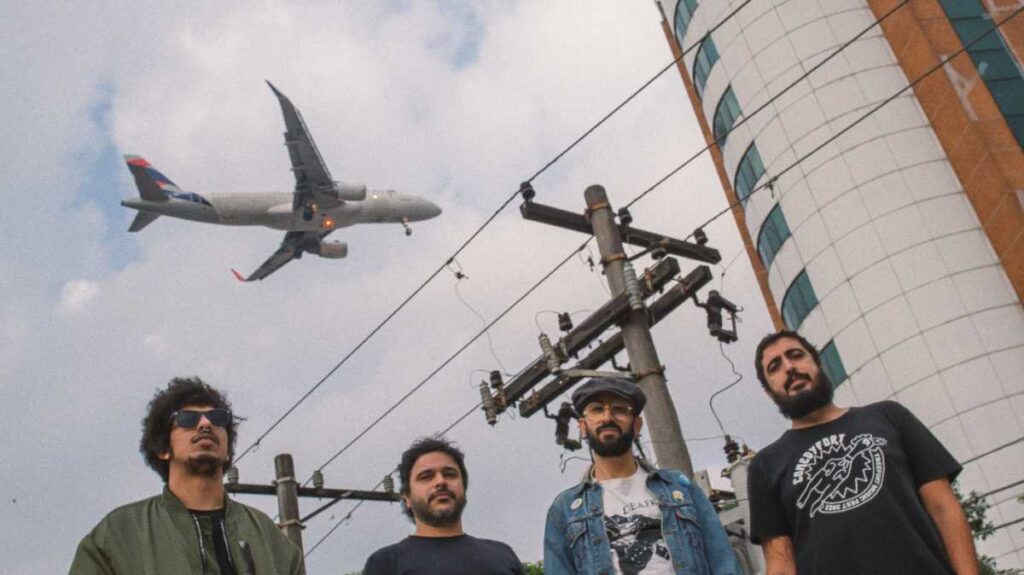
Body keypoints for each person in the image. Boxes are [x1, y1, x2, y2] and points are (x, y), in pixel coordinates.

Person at [747, 330, 979, 575]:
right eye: (775, 366)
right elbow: (781, 564)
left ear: (818, 363)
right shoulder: (765, 466)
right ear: (769, 391)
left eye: (795, 355)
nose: (789, 367)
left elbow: (944, 509)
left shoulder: (889, 416)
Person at [71, 377, 304, 575]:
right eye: (187, 419)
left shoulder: (270, 540)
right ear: (163, 449)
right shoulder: (119, 535)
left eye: (217, 418)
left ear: (228, 449)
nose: (205, 424)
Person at [544, 377, 739, 575]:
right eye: (596, 409)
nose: (607, 417)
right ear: (583, 427)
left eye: (619, 409)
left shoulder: (680, 488)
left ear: (636, 426)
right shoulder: (564, 510)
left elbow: (723, 561)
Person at [363, 436, 524, 575]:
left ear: (464, 488)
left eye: (449, 474)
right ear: (407, 499)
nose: (441, 481)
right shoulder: (386, 563)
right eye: (426, 477)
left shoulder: (502, 555)